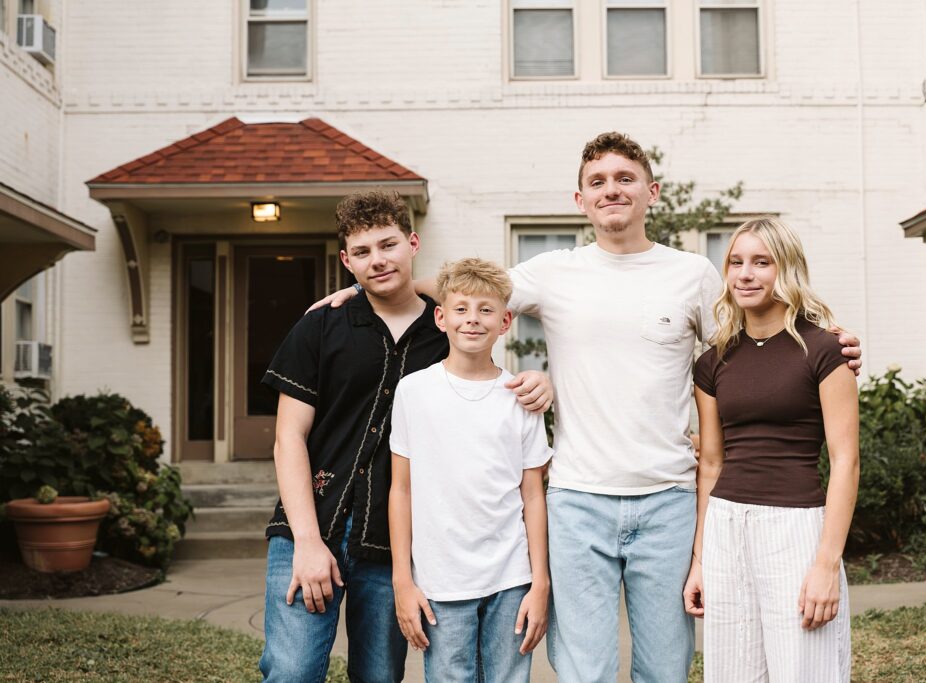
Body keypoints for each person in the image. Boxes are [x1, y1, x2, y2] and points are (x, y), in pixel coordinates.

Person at [311, 133, 862, 681]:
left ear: (652, 191)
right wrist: (374, 287)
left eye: (625, 178)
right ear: (580, 200)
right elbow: (468, 291)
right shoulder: (553, 272)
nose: (611, 190)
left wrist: (824, 340)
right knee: (582, 670)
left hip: (667, 499)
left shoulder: (692, 275)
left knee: (666, 669)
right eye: (597, 182)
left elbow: (749, 346)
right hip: (578, 501)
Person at [258, 191, 552, 683]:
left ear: (412, 243)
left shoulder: (448, 327)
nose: (378, 260)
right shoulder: (321, 326)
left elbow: (488, 312)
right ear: (345, 260)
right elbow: (288, 438)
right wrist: (307, 540)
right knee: (291, 671)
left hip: (390, 544)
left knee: (379, 675)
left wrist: (540, 379)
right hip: (314, 523)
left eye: (388, 245)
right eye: (363, 252)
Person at [683, 216, 859, 682]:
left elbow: (846, 461)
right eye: (736, 262)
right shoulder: (712, 360)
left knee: (805, 669)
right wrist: (700, 561)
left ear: (787, 270)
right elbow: (712, 464)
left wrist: (826, 564)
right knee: (734, 672)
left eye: (762, 262)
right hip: (726, 527)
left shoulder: (826, 350)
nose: (745, 274)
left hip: (795, 529)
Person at [389, 257, 551, 682]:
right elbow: (401, 490)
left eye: (485, 310)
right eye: (461, 309)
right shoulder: (414, 391)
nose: (472, 320)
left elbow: (532, 494)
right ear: (441, 317)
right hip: (441, 582)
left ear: (505, 320)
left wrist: (540, 582)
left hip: (511, 578)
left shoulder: (519, 396)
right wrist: (403, 581)